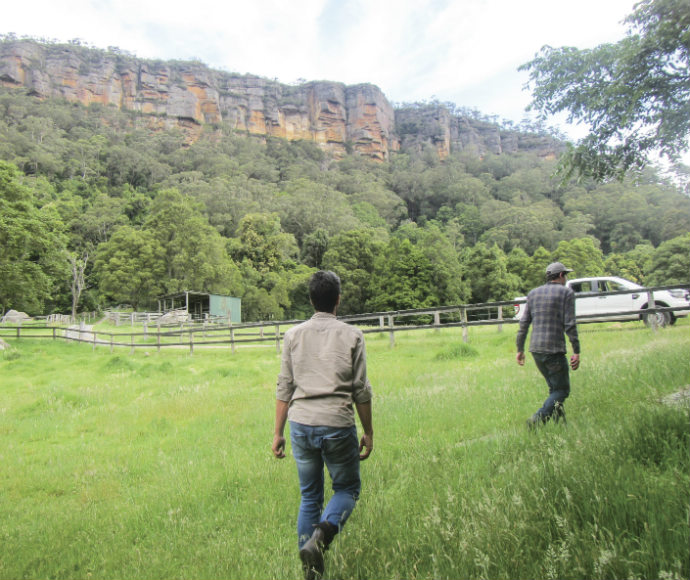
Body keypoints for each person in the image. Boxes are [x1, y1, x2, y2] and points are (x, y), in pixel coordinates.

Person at [272, 270, 374, 580]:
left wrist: (277, 433)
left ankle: (310, 571)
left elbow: (284, 387)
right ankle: (323, 537)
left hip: (301, 424)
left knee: (309, 496)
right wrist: (368, 431)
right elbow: (361, 390)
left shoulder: (293, 335)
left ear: (312, 299)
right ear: (338, 300)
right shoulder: (352, 335)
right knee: (347, 488)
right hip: (337, 423)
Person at [516, 262, 581, 427]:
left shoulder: (533, 294)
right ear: (560, 276)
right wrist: (576, 351)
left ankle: (561, 424)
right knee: (562, 390)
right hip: (554, 350)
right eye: (565, 275)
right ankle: (537, 420)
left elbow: (523, 324)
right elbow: (570, 324)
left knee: (554, 389)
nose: (566, 278)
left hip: (536, 350)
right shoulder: (566, 293)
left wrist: (520, 349)